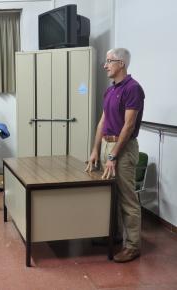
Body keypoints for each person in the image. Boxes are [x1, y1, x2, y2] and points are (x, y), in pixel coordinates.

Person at [86, 48, 144, 263]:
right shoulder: (110, 91)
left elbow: (128, 126)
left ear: (121, 63)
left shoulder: (133, 89)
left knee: (127, 199)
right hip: (106, 146)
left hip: (123, 149)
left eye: (109, 61)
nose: (105, 65)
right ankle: (116, 235)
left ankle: (132, 246)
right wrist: (95, 149)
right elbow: (103, 122)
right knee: (111, 195)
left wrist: (113, 156)